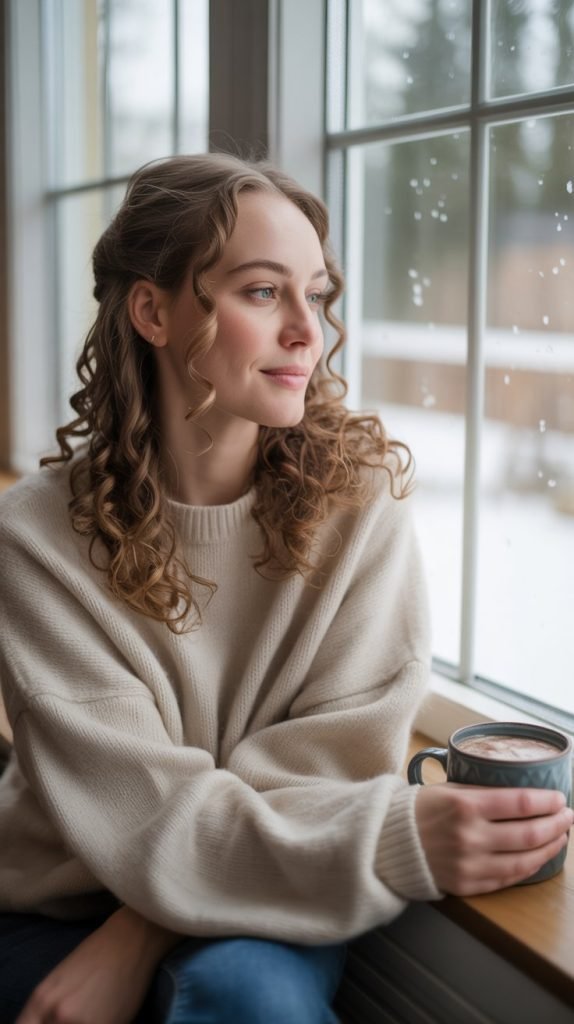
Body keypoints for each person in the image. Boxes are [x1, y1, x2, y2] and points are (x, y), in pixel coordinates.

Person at [0, 153, 571, 1024]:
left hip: (284, 873)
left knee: (249, 997)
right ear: (153, 311)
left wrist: (136, 935)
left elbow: (329, 771)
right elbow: (135, 811)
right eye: (264, 292)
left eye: (318, 293)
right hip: (63, 897)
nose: (310, 330)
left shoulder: (360, 507)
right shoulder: (36, 539)